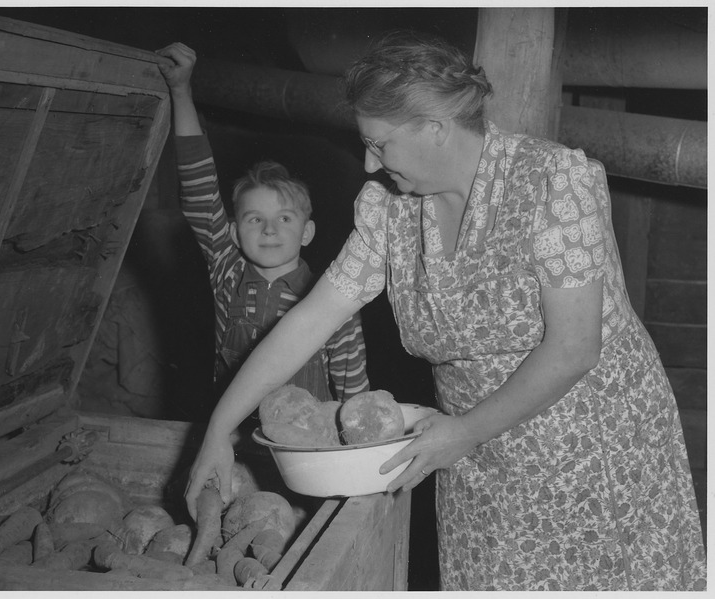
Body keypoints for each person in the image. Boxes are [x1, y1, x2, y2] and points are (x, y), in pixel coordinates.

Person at [182, 31, 706, 591]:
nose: (366, 162)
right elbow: (313, 318)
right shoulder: (388, 207)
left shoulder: (552, 182)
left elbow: (575, 346)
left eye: (378, 144)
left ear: (434, 129)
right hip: (466, 447)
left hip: (588, 446)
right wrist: (220, 426)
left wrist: (468, 432)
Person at [155, 42, 369, 409]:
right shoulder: (227, 271)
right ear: (235, 233)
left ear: (307, 232)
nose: (269, 230)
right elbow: (199, 183)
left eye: (285, 218)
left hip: (303, 441)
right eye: (255, 219)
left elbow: (354, 389)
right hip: (235, 429)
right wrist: (181, 91)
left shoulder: (331, 296)